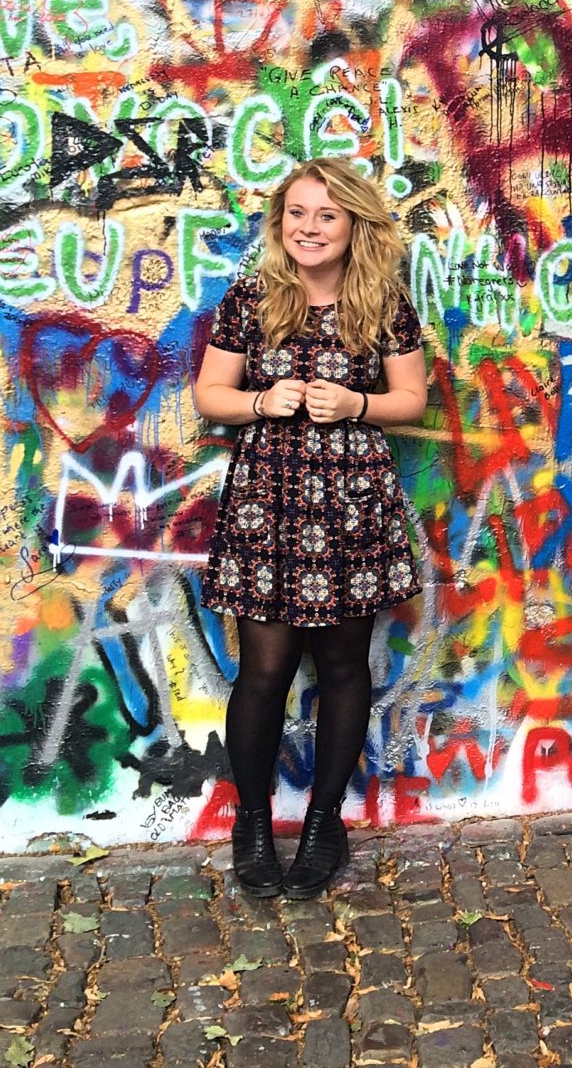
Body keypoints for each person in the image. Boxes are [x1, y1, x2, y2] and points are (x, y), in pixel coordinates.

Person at [191, 157, 429, 898]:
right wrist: (263, 402)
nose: (310, 228)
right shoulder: (250, 300)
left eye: (327, 215)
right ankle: (252, 823)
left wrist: (354, 406)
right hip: (271, 499)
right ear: (279, 224)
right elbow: (210, 393)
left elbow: (411, 399)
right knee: (263, 670)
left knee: (343, 667)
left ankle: (326, 822)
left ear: (353, 224)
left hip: (352, 503)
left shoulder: (383, 305)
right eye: (297, 213)